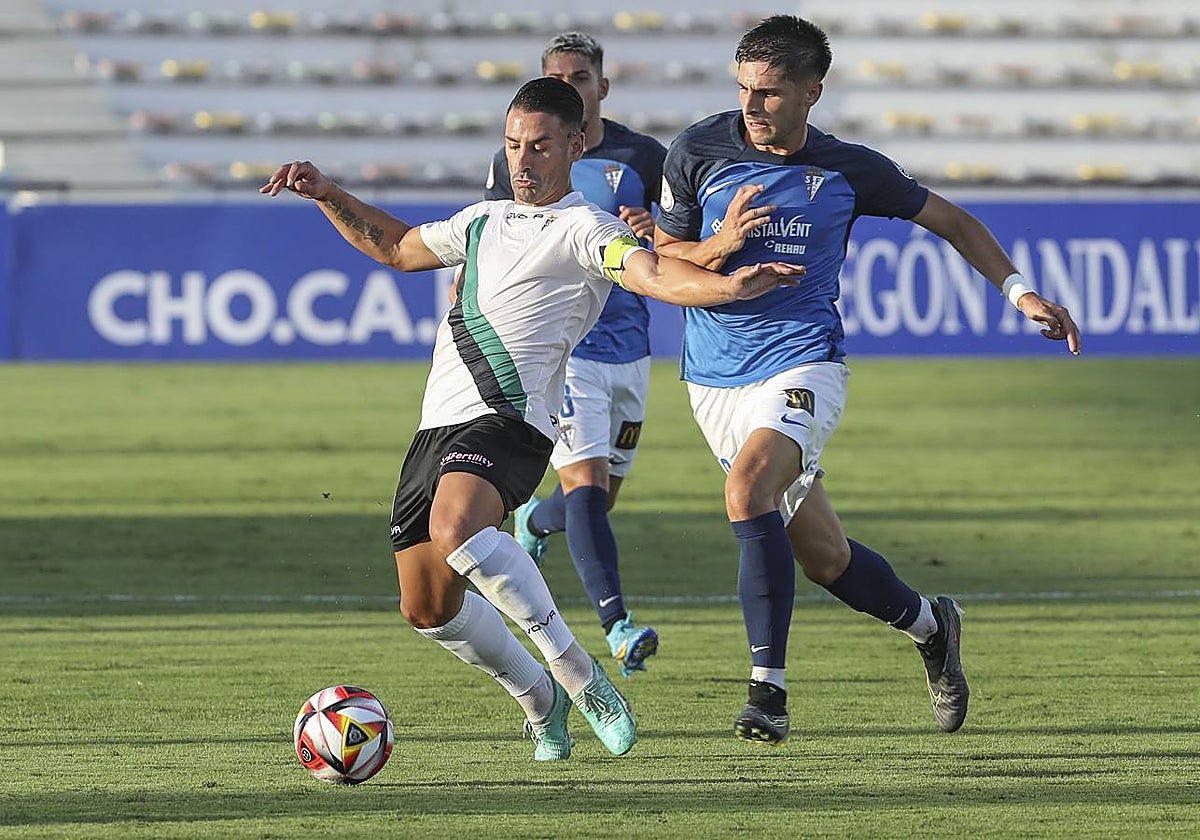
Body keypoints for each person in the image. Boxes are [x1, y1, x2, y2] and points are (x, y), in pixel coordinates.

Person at [260, 77, 804, 761]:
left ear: (575, 145)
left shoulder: (586, 227)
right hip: (438, 426)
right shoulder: (482, 221)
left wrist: (725, 286)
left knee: (456, 526)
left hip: (511, 419)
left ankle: (581, 677)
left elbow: (653, 274)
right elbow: (398, 249)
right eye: (514, 144)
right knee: (426, 607)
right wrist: (327, 194)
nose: (523, 160)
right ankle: (539, 701)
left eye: (541, 146)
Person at [653, 15, 1081, 744]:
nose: (751, 108)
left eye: (770, 93)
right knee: (825, 559)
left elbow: (954, 221)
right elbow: (665, 256)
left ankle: (768, 694)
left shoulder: (851, 169)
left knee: (746, 490)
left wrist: (1022, 294)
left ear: (812, 93)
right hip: (713, 381)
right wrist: (722, 246)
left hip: (803, 361)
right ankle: (931, 626)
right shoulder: (697, 149)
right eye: (743, 91)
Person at [483, 32, 668, 678]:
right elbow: (496, 237)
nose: (569, 84)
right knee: (587, 486)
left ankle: (534, 518)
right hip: (567, 347)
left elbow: (682, 235)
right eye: (556, 75)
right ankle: (617, 627)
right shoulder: (523, 159)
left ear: (602, 86)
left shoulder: (644, 155)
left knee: (599, 498)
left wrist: (658, 235)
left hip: (631, 348)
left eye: (580, 76)